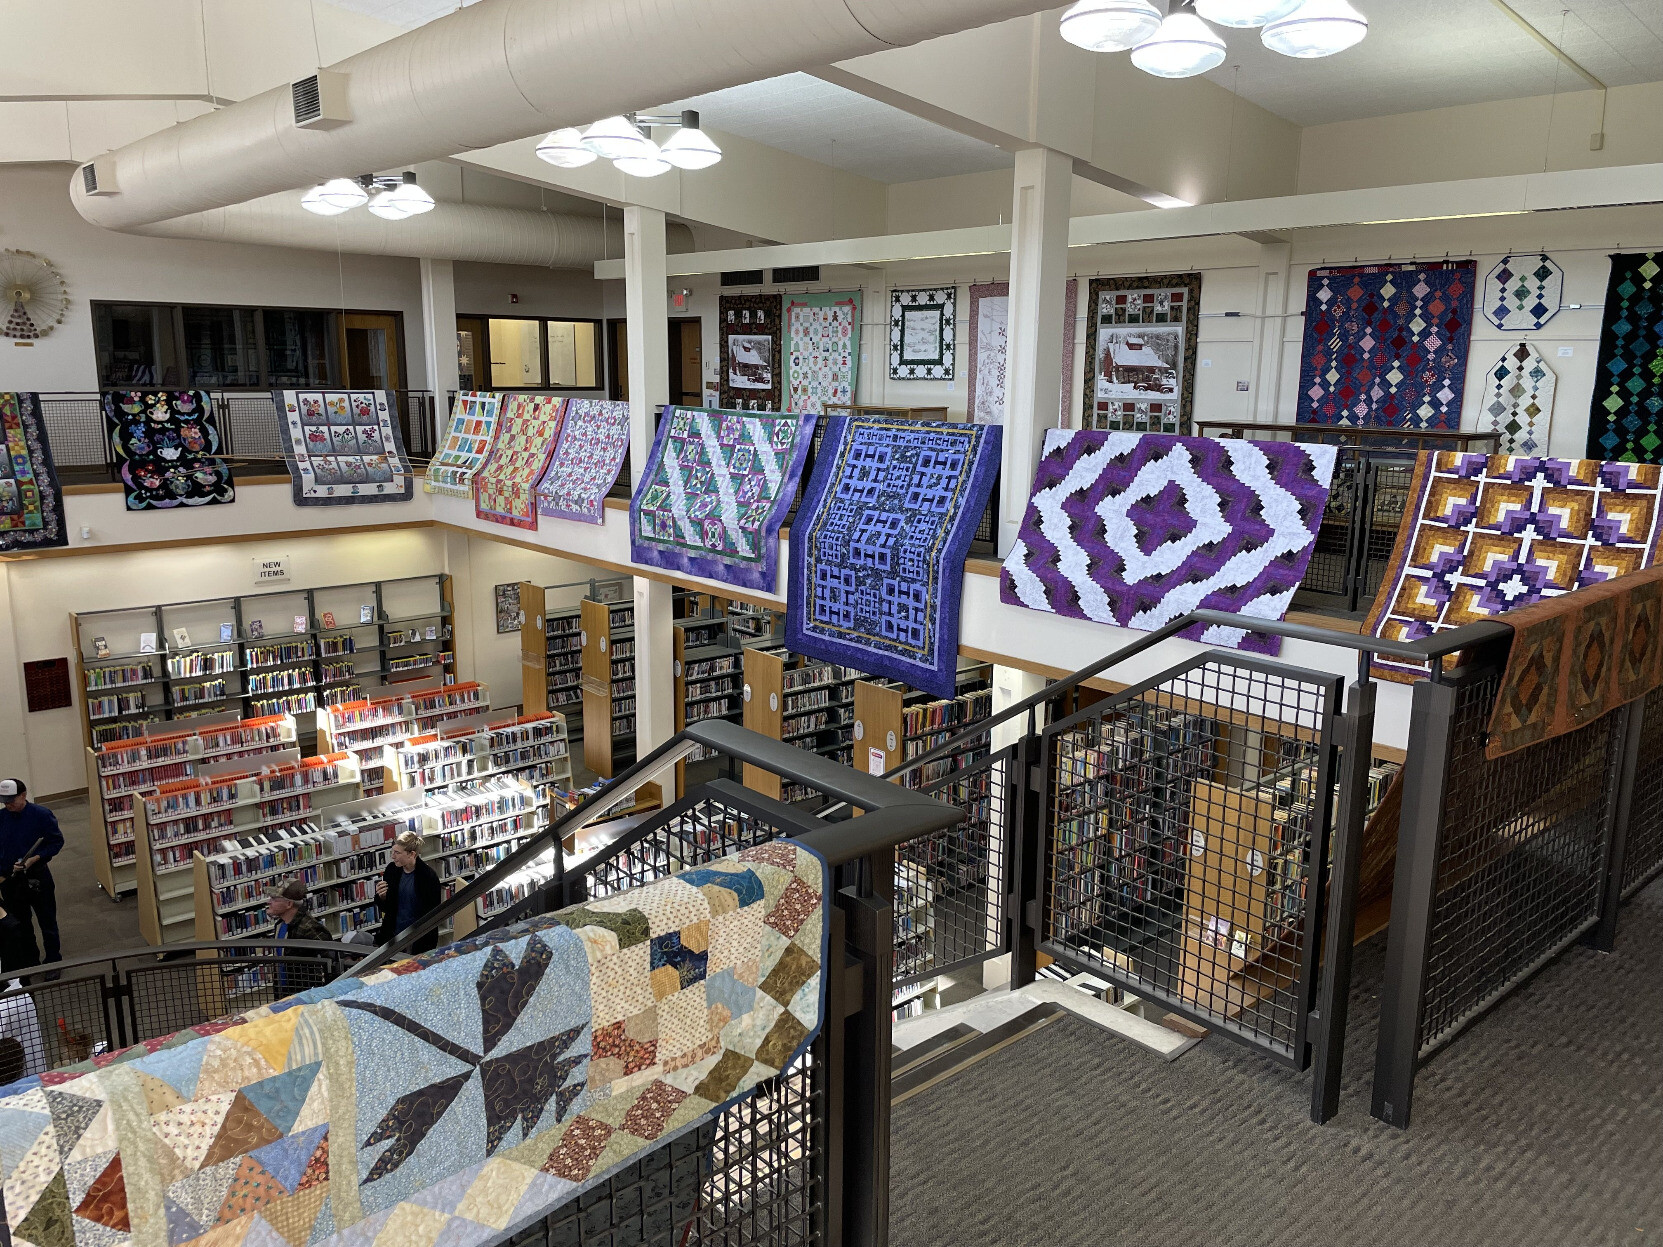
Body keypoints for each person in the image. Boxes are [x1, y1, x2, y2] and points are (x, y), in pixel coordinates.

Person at [0, 780, 62, 968]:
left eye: (11, 800)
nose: (8, 804)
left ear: (23, 795)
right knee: (21, 924)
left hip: (38, 877)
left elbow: (56, 842)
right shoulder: (1, 817)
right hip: (11, 881)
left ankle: (53, 961)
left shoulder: (41, 815)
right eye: (4, 801)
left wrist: (36, 857)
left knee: (47, 920)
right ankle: (31, 961)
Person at [374, 831, 443, 955]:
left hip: (418, 939)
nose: (393, 856)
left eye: (397, 853)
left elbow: (433, 914)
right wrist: (382, 897)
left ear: (412, 854)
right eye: (392, 852)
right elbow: (387, 908)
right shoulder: (392, 870)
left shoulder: (428, 878)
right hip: (393, 935)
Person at [264, 878, 334, 993]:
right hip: (286, 992)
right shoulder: (280, 925)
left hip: (306, 996)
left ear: (289, 904)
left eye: (274, 899)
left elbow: (330, 964)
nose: (269, 902)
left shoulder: (310, 929)